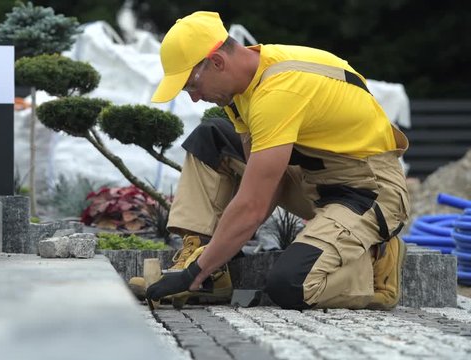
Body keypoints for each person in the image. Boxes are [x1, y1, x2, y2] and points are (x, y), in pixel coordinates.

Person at [144, 11, 410, 310]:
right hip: (315, 178)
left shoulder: (280, 90)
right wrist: (208, 261)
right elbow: (260, 185)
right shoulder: (243, 87)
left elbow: (253, 205)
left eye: (191, 86)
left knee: (290, 286)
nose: (194, 98)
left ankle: (375, 265)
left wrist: (194, 273)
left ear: (217, 62)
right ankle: (210, 275)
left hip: (368, 193)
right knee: (212, 138)